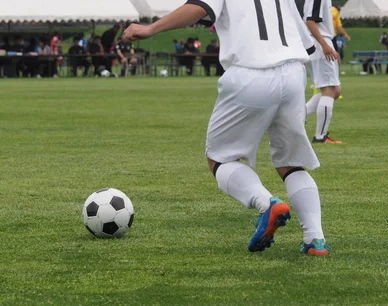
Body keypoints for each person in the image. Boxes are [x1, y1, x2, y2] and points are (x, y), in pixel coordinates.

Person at [122, 0, 330, 256]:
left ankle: (267, 204)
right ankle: (315, 239)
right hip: (294, 73)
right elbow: (305, 42)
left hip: (251, 72)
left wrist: (150, 28)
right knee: (291, 163)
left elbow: (200, 8)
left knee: (219, 159)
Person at [304, 0, 343, 144]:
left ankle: (299, 117)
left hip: (318, 42)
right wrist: (324, 45)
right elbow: (310, 21)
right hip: (320, 42)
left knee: (335, 90)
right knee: (329, 89)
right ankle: (320, 136)